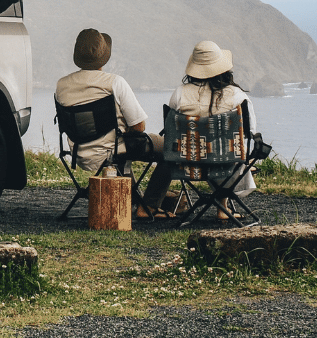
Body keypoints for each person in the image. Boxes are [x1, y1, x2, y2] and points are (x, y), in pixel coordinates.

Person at [55, 28, 173, 217]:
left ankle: (134, 200)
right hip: (112, 153)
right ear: (104, 56)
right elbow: (139, 126)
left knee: (124, 142)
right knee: (171, 148)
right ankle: (148, 206)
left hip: (79, 152)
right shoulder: (114, 82)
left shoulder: (62, 84)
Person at [167, 40, 258, 219]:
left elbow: (171, 128)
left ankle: (222, 207)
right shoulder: (237, 96)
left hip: (188, 164)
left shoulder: (180, 94)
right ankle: (222, 208)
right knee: (226, 149)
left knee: (208, 149)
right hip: (228, 164)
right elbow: (249, 132)